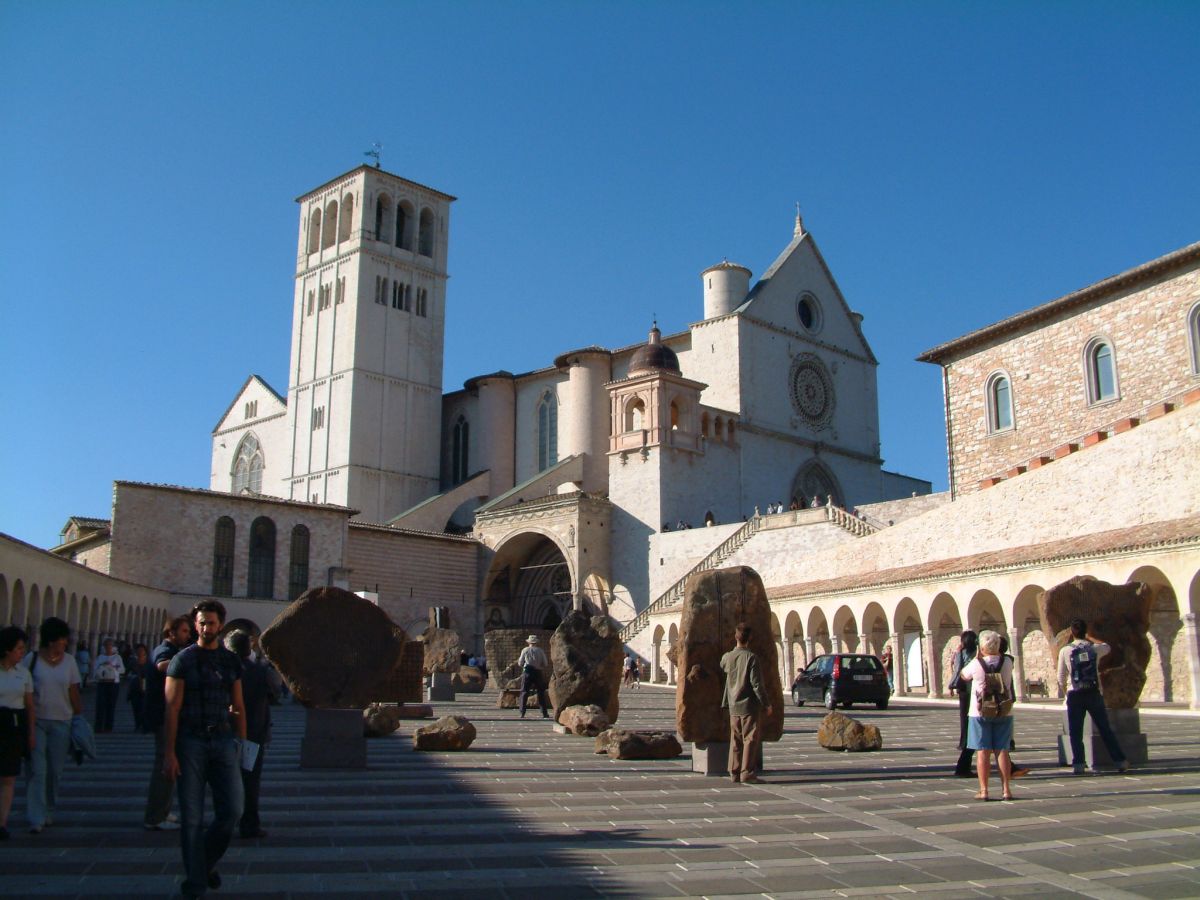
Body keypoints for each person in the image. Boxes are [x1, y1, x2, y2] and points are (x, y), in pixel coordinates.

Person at [162, 600, 246, 898]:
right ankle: (196, 883)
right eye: (201, 622)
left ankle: (204, 862)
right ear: (195, 624)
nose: (205, 627)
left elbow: (238, 706)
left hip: (223, 740)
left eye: (210, 623)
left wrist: (243, 744)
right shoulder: (182, 660)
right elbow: (172, 709)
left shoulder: (230, 661)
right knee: (192, 817)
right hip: (190, 742)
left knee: (233, 810)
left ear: (221, 625)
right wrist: (169, 753)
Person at [25, 617, 83, 833]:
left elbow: (74, 691)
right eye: (62, 639)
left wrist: (78, 718)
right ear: (51, 640)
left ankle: (49, 808)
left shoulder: (69, 661)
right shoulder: (31, 660)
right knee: (37, 771)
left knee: (54, 771)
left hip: (62, 721)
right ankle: (36, 817)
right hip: (36, 720)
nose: (65, 643)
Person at [1057, 618, 1129, 775]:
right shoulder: (1094, 649)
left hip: (1074, 693)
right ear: (1085, 631)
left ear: (1072, 632)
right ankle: (1120, 761)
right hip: (1093, 692)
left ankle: (1079, 764)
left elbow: (1060, 677)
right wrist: (1090, 637)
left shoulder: (1065, 651)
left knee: (1075, 731)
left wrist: (1066, 692)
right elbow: (1107, 647)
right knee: (1104, 728)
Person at [224, 630, 274, 839]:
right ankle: (249, 824)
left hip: (224, 733)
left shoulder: (222, 670)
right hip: (254, 734)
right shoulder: (260, 671)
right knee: (251, 781)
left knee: (222, 779)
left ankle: (224, 820)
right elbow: (274, 693)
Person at [957, 630, 1016, 801]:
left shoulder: (976, 664)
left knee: (982, 752)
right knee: (1002, 750)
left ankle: (984, 790)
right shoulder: (1007, 662)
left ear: (981, 647)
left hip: (980, 711)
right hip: (1004, 710)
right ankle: (1006, 790)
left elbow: (963, 675)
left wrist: (977, 656)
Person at [144, 616, 190, 831]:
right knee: (165, 762)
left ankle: (162, 810)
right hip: (163, 715)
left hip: (168, 715)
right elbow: (162, 665)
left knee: (169, 763)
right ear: (171, 632)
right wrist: (188, 661)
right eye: (183, 631)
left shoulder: (173, 650)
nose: (187, 635)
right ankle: (154, 816)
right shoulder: (165, 649)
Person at [720, 622, 773, 784]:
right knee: (749, 739)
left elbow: (722, 665)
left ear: (736, 637)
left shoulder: (727, 657)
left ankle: (733, 771)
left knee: (735, 738)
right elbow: (757, 684)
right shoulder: (751, 658)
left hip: (733, 704)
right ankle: (747, 772)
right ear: (749, 638)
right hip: (749, 704)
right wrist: (766, 704)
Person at [0, 626, 35, 841]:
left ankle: (1, 822)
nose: (22, 652)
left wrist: (30, 733)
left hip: (13, 726)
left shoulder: (23, 673)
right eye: (19, 648)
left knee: (9, 777)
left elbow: (29, 706)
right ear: (7, 649)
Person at [997, 635, 1029, 778]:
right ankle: (1010, 768)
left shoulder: (998, 660)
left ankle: (1010, 769)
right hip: (1005, 700)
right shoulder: (1008, 660)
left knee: (994, 742)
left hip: (992, 703)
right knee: (1000, 740)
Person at [948, 629, 978, 777]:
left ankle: (964, 742)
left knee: (964, 717)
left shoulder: (962, 652)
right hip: (975, 687)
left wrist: (951, 685)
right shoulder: (978, 653)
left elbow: (958, 669)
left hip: (964, 687)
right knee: (973, 717)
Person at [93, 637, 125, 733]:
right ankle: (98, 726)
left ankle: (108, 727)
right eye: (106, 645)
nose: (108, 648)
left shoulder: (117, 657)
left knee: (110, 705)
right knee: (100, 705)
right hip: (102, 683)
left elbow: (122, 670)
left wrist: (113, 666)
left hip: (113, 683)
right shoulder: (100, 657)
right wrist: (102, 665)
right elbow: (95, 670)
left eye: (110, 645)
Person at [517, 635, 551, 719]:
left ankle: (522, 712)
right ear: (536, 642)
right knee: (540, 693)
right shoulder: (540, 651)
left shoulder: (525, 650)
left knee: (524, 692)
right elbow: (545, 663)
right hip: (538, 672)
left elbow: (520, 662)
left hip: (527, 672)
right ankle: (544, 713)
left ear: (528, 642)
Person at [127, 644, 149, 732]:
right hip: (134, 688)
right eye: (138, 650)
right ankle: (137, 724)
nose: (140, 652)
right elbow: (127, 671)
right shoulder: (133, 662)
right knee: (136, 707)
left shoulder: (149, 662)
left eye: (142, 650)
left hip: (145, 688)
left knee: (145, 707)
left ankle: (145, 725)